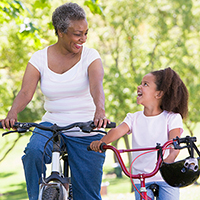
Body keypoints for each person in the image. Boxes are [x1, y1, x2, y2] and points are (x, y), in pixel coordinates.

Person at [1, 2, 110, 200]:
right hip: (51, 124)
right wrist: (12, 113)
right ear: (60, 31)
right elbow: (26, 92)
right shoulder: (39, 58)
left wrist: (100, 111)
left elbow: (96, 86)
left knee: (88, 196)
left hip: (86, 125)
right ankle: (36, 197)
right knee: (33, 152)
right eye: (78, 34)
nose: (83, 39)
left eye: (86, 33)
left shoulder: (91, 56)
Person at [90, 67, 189, 200]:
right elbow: (118, 131)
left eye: (145, 84)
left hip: (165, 175)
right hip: (141, 177)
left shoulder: (171, 117)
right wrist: (102, 142)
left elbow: (174, 144)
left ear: (158, 94)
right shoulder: (133, 118)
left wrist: (169, 159)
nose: (139, 86)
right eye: (141, 83)